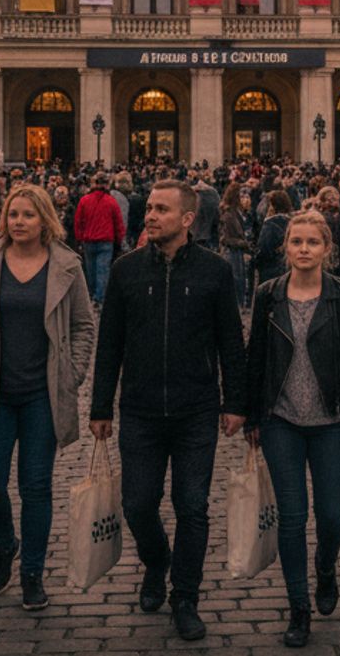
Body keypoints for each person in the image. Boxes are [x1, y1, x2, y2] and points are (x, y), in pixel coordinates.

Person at [89, 179, 247, 642]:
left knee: (192, 506)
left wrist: (235, 402)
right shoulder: (125, 270)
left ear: (187, 219)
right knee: (138, 504)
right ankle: (157, 562)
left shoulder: (215, 271)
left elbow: (230, 342)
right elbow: (109, 345)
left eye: (161, 209)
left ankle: (186, 597)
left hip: (196, 409)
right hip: (139, 409)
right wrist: (101, 406)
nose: (150, 215)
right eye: (150, 208)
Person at [0, 184, 95, 612]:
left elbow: (84, 325)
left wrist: (72, 374)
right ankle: (4, 543)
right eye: (12, 214)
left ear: (44, 219)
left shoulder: (67, 264)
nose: (17, 222)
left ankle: (32, 572)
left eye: (27, 215)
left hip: (42, 395)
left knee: (36, 488)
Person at [244, 210, 340, 648]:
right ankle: (299, 607)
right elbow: (255, 357)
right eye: (296, 242)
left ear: (327, 249)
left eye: (312, 242)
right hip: (281, 420)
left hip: (332, 420)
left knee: (333, 517)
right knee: (292, 518)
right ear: (285, 249)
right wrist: (252, 416)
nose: (303, 249)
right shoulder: (268, 294)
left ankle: (327, 566)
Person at [73, 173, 126, 306]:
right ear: (106, 184)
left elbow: (78, 222)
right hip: (106, 241)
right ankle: (99, 298)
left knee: (90, 270)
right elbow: (119, 224)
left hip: (88, 240)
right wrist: (119, 242)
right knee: (103, 270)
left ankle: (90, 296)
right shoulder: (111, 201)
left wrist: (79, 239)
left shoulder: (84, 200)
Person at [220, 183, 257, 309]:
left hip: (244, 254)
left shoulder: (247, 214)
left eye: (248, 197)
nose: (247, 200)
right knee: (236, 284)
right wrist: (242, 243)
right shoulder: (228, 215)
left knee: (244, 284)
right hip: (234, 254)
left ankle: (243, 307)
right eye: (243, 197)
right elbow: (224, 239)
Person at [256, 190, 295, 288]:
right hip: (289, 269)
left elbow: (264, 251)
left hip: (270, 272)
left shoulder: (270, 225)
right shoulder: (293, 223)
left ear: (272, 206)